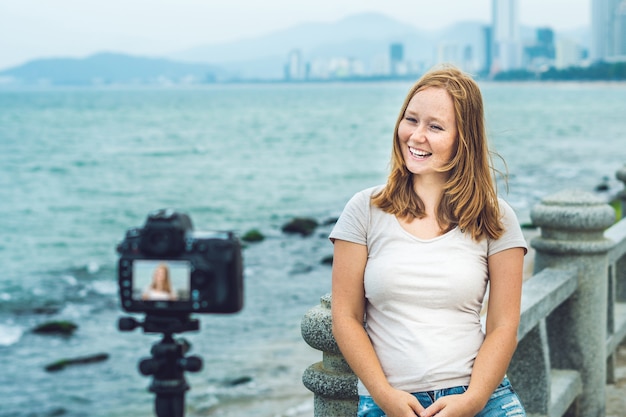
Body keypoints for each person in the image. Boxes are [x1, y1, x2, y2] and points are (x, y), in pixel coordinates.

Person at [330, 65, 528, 417]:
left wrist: (473, 400)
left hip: (481, 397)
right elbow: (345, 316)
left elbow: (502, 325)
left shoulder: (496, 218)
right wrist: (384, 395)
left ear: (463, 139)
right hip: (388, 401)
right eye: (411, 120)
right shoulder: (364, 209)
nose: (416, 136)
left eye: (435, 127)